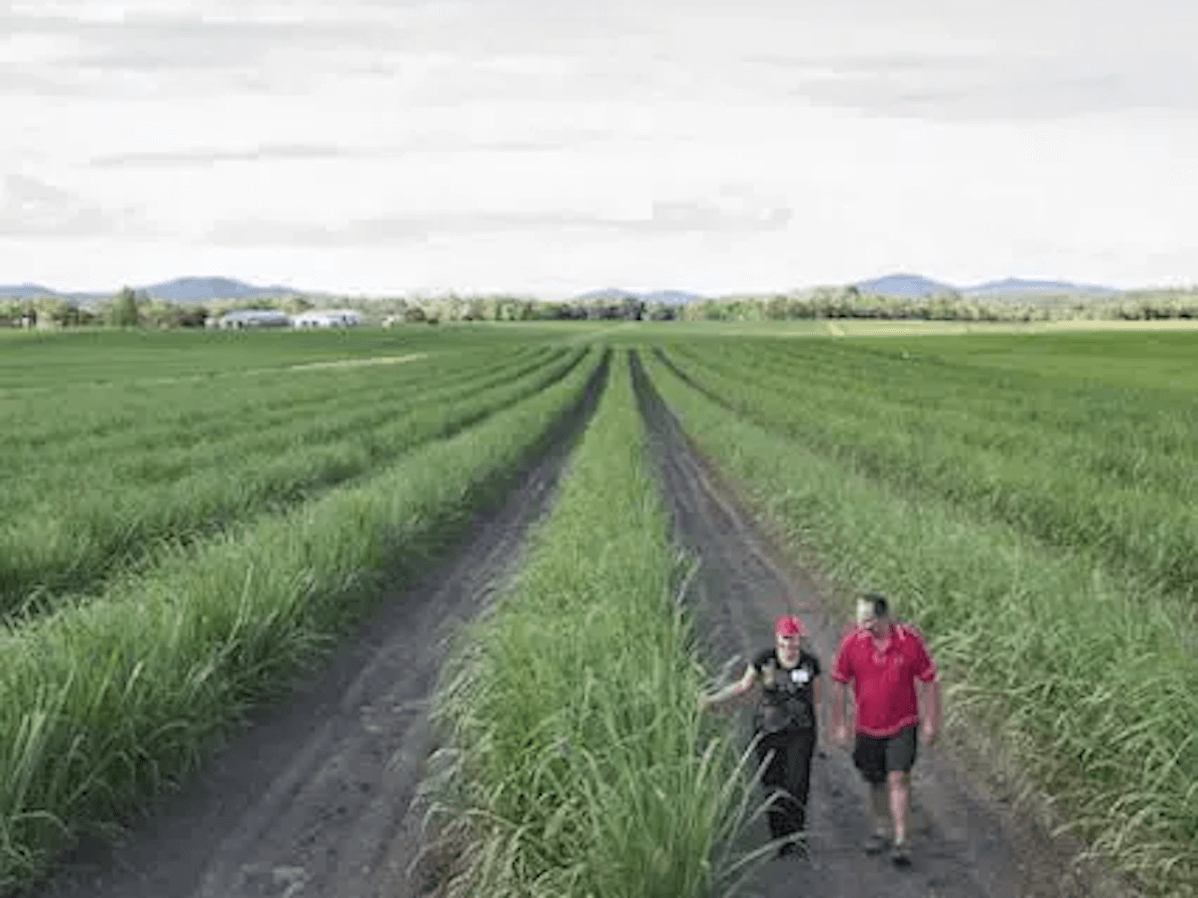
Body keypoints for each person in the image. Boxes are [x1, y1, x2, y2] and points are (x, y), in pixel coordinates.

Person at [830, 593, 942, 867]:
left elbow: (929, 681)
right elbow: (840, 684)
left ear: (883, 617)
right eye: (859, 619)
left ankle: (901, 839)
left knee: (898, 777)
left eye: (867, 619)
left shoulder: (910, 641)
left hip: (903, 723)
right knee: (875, 780)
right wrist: (840, 724)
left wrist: (931, 721)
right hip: (867, 726)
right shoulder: (852, 644)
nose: (861, 624)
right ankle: (881, 828)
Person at [699, 613, 822, 858]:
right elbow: (743, 686)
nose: (790, 645)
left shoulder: (810, 663)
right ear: (777, 638)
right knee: (772, 784)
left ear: (800, 640)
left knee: (797, 784)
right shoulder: (764, 660)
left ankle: (795, 837)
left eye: (795, 639)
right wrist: (714, 700)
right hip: (768, 731)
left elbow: (816, 698)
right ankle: (779, 839)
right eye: (786, 639)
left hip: (800, 732)